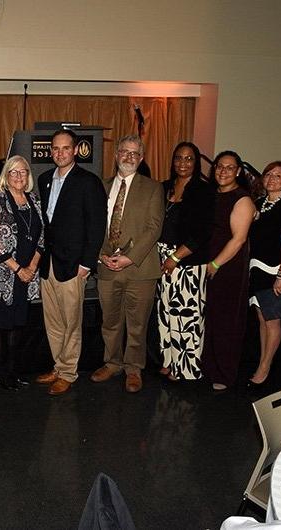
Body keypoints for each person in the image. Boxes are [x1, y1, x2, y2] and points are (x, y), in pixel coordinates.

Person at [35, 129, 107, 395]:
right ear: (51, 151)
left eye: (66, 148)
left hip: (74, 265)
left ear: (76, 150)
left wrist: (87, 264)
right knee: (52, 320)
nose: (60, 153)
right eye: (55, 148)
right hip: (49, 264)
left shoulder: (88, 182)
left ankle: (68, 372)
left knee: (71, 321)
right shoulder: (43, 180)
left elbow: (97, 225)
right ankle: (58, 365)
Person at [91, 135, 163, 393]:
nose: (129, 157)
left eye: (135, 153)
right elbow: (93, 225)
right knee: (109, 321)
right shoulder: (101, 186)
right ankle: (112, 363)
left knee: (137, 323)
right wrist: (100, 255)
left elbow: (154, 229)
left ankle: (133, 369)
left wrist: (129, 258)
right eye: (124, 152)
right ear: (116, 155)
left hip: (140, 269)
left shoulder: (153, 188)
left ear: (141, 158)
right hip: (107, 266)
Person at [0, 155, 44, 390]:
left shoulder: (35, 201)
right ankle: (1, 373)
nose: (19, 176)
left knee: (19, 325)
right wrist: (18, 269)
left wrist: (31, 268)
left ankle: (13, 371)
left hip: (27, 276)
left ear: (28, 176)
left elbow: (42, 237)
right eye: (14, 172)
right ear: (5, 177)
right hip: (4, 275)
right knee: (1, 325)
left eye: (23, 172)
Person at [156, 142, 215, 381]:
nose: (183, 163)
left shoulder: (203, 190)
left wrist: (175, 257)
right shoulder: (164, 187)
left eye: (189, 159)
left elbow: (202, 232)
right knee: (166, 313)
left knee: (187, 317)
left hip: (187, 262)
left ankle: (187, 368)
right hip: (162, 259)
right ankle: (169, 361)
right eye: (178, 158)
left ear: (196, 162)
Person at [201, 151, 256, 391]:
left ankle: (224, 373)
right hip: (210, 263)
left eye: (229, 167)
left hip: (228, 267)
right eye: (219, 167)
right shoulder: (211, 195)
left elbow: (239, 240)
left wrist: (215, 264)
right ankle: (208, 368)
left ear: (238, 172)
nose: (223, 171)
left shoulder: (242, 199)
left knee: (226, 320)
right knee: (209, 317)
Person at [247, 162, 281, 387]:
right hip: (259, 269)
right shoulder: (260, 203)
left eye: (277, 175)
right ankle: (263, 361)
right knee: (263, 319)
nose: (271, 179)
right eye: (268, 174)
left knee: (273, 321)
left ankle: (264, 368)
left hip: (277, 271)